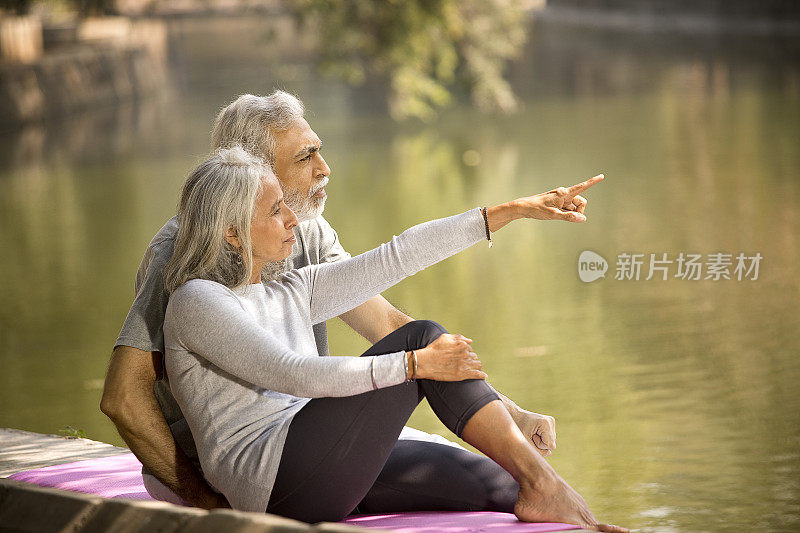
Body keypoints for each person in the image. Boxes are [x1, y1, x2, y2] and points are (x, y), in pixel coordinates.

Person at [101, 91, 559, 510]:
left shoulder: (301, 244)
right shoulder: (184, 266)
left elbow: (390, 296)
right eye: (305, 157)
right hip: (239, 470)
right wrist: (205, 503)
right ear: (250, 172)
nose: (325, 169)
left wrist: (510, 413)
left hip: (316, 437)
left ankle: (554, 497)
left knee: (503, 485)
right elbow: (124, 396)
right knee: (419, 344)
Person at [161, 146, 625, 532]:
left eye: (286, 204)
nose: (292, 219)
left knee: (504, 484)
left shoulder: (290, 288)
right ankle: (547, 486)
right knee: (420, 339)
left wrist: (509, 212)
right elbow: (294, 374)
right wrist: (414, 365)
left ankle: (569, 509)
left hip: (328, 462)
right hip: (277, 485)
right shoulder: (196, 301)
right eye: (274, 210)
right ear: (230, 232)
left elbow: (396, 256)